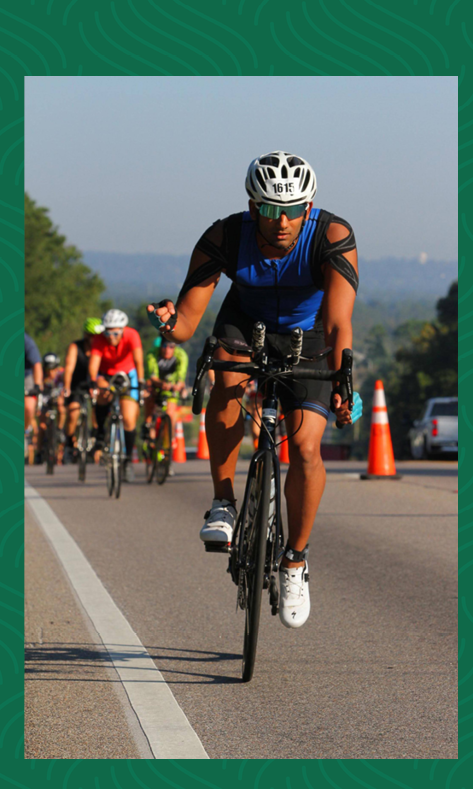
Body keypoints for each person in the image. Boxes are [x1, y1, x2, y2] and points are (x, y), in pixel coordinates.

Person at [148, 151, 359, 628]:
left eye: (292, 210)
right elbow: (185, 323)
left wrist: (344, 378)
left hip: (311, 336)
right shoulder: (224, 236)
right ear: (251, 205)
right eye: (268, 209)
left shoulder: (332, 235)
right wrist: (167, 324)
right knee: (225, 380)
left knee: (305, 448)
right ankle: (223, 501)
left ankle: (295, 561)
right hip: (246, 325)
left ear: (309, 206)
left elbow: (339, 321)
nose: (281, 221)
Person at [87, 308, 145, 478]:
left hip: (128, 374)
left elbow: (138, 360)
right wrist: (92, 380)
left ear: (122, 330)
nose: (111, 337)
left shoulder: (132, 335)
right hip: (106, 374)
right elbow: (94, 364)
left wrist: (140, 382)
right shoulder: (99, 339)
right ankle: (99, 435)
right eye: (108, 333)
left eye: (115, 333)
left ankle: (127, 461)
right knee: (102, 393)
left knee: (128, 418)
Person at [141, 336, 189, 458]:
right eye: (164, 346)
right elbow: (152, 375)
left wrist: (178, 385)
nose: (167, 350)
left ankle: (167, 446)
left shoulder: (181, 355)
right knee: (149, 396)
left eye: (171, 347)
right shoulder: (152, 354)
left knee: (170, 414)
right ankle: (148, 428)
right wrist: (160, 384)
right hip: (156, 384)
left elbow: (181, 375)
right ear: (160, 346)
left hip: (171, 387)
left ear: (175, 348)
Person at [61, 318, 103, 457]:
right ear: (86, 335)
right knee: (73, 413)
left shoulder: (102, 348)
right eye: (91, 336)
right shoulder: (75, 347)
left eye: (97, 336)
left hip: (94, 384)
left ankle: (97, 440)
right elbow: (69, 369)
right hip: (76, 385)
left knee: (99, 411)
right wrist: (66, 387)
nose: (94, 339)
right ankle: (69, 441)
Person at [24, 333, 43, 458]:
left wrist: (37, 385)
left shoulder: (25, 341)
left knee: (29, 406)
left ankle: (23, 432)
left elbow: (36, 364)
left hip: (25, 376)